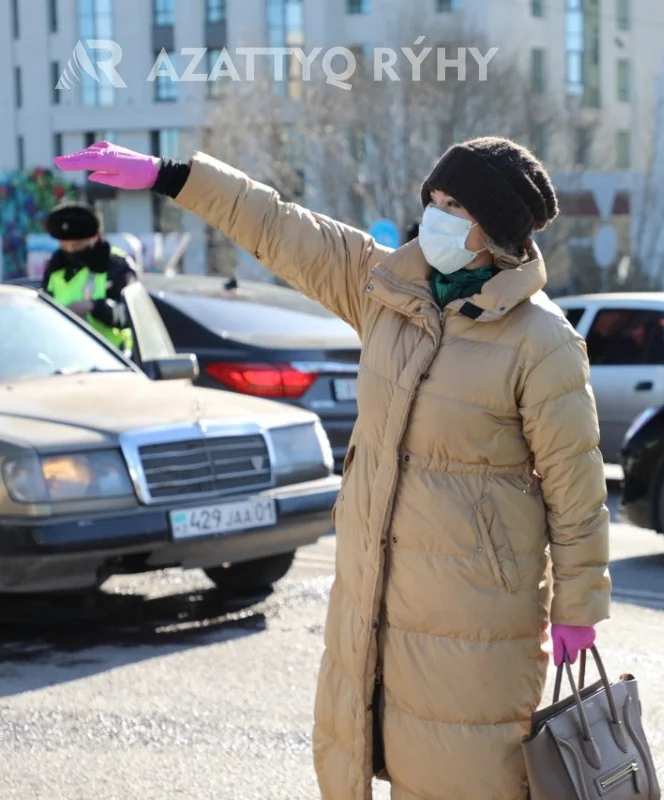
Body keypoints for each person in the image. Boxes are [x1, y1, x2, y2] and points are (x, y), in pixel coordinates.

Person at [55, 138, 612, 800]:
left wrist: (580, 605)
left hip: (476, 625)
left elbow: (577, 491)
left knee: (463, 781)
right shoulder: (387, 289)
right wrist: (175, 177)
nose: (432, 214)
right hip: (371, 599)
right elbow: (282, 227)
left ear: (496, 227)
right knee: (361, 763)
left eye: (453, 204)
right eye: (431, 199)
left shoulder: (540, 341)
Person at [40, 202, 137, 354]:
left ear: (95, 238)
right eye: (65, 245)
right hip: (63, 356)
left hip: (113, 358)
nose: (71, 250)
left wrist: (93, 307)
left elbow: (133, 316)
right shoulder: (55, 266)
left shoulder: (116, 264)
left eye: (78, 245)